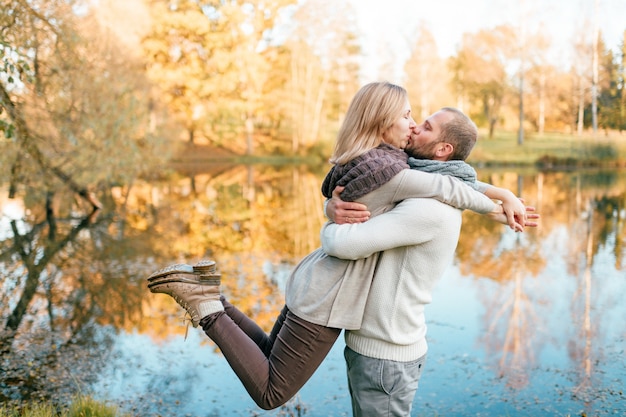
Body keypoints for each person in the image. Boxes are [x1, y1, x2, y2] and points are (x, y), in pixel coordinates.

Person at [146, 82, 529, 411]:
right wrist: (498, 207)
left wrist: (501, 197)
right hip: (329, 296)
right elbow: (446, 187)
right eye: (409, 117)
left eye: (421, 122)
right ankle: (206, 307)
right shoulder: (394, 173)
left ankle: (212, 295)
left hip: (317, 282)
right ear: (382, 122)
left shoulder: (375, 162)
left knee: (266, 355)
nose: (413, 126)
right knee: (271, 391)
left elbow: (439, 181)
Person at [321, 106, 538, 416]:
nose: (414, 128)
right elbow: (391, 185)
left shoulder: (428, 210)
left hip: (386, 353)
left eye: (425, 126)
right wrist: (332, 207)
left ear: (442, 149)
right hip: (382, 350)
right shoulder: (417, 184)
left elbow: (343, 244)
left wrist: (329, 225)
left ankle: (220, 312)